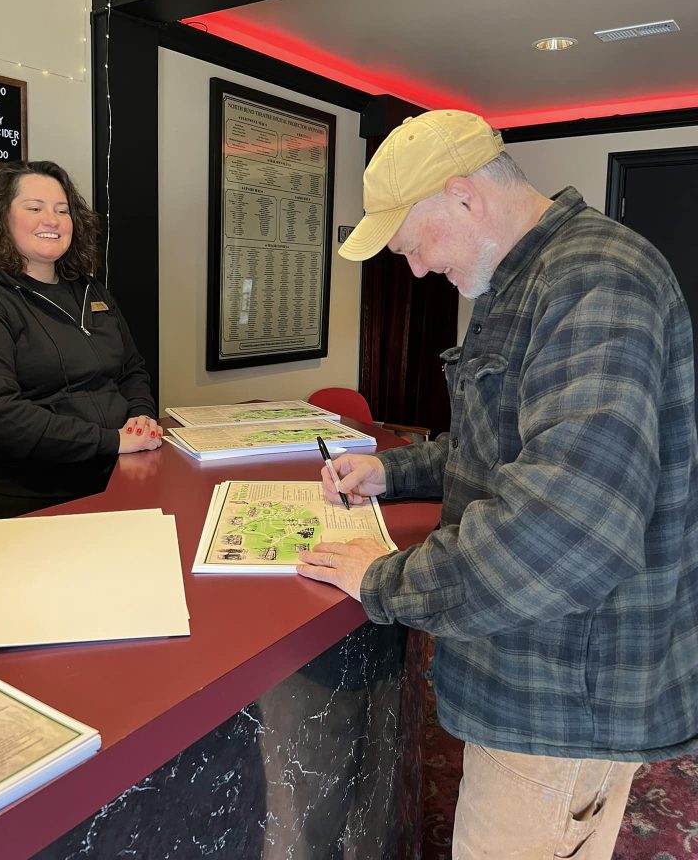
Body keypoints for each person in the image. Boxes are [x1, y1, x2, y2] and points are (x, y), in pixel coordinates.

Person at [297, 110, 698, 859]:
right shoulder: (529, 278)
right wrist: (394, 468)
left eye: (414, 245)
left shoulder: (594, 281)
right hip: (534, 668)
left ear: (463, 197)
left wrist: (383, 583)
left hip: (563, 692)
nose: (415, 269)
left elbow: (565, 527)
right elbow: (501, 446)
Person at [0, 160, 162, 529]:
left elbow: (131, 368)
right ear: (1, 219)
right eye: (34, 208)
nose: (51, 220)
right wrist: (110, 440)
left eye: (62, 210)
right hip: (19, 497)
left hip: (111, 478)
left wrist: (140, 416)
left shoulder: (90, 289)